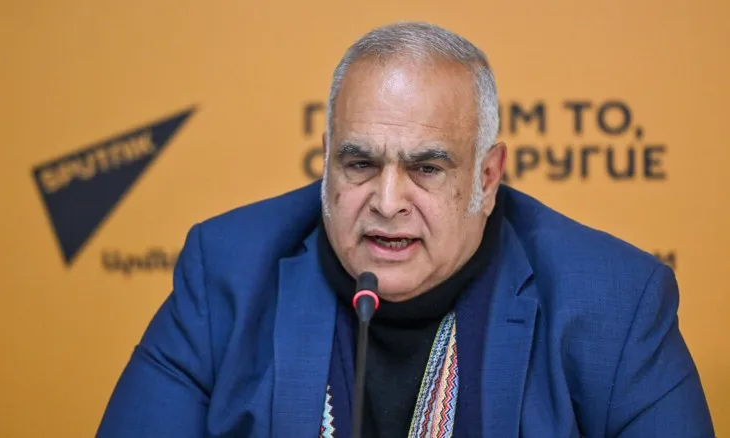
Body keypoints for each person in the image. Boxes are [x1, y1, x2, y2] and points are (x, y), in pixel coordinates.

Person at [96, 21, 715, 437]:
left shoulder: (612, 306)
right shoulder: (226, 274)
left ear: (487, 176)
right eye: (360, 163)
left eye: (427, 168)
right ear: (326, 158)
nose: (387, 202)